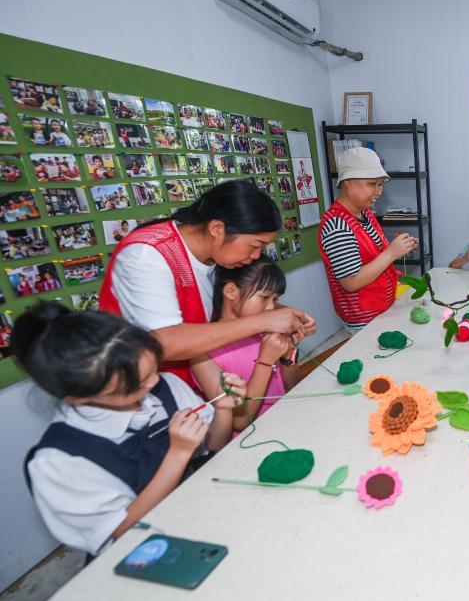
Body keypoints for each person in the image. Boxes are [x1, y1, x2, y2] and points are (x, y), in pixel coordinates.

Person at [16, 302, 245, 557]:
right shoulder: (58, 461)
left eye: (152, 368)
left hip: (199, 515)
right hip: (143, 551)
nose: (154, 382)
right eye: (136, 384)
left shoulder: (166, 387)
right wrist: (177, 454)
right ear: (78, 398)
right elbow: (121, 530)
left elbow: (214, 444)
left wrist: (223, 408)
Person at [99, 180, 316, 388]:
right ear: (217, 229)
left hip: (200, 388)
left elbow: (242, 300)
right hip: (144, 394)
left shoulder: (220, 256)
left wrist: (284, 315)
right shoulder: (146, 255)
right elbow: (165, 342)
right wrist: (265, 321)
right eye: (254, 245)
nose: (256, 255)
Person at [192, 260, 304, 437]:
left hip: (286, 422)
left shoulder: (264, 331)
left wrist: (288, 355)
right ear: (231, 291)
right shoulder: (203, 354)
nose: (271, 307)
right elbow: (241, 421)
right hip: (253, 440)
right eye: (264, 297)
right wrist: (265, 361)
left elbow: (294, 387)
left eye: (275, 299)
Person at [318, 148, 416, 331]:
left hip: (381, 308)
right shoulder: (337, 225)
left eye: (380, 185)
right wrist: (391, 253)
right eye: (372, 184)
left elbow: (373, 254)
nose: (378, 191)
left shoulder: (366, 215)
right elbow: (351, 282)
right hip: (364, 318)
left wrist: (399, 247)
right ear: (347, 183)